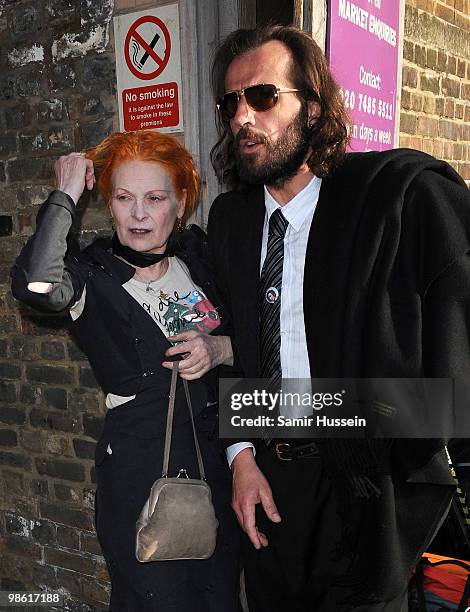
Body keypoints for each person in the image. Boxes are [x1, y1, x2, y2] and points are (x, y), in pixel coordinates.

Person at [207, 24, 470, 612]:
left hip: (365, 492)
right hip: (269, 493)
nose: (243, 117)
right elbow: (231, 353)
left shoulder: (391, 204)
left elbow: (447, 396)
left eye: (264, 98)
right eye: (231, 103)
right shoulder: (230, 222)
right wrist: (241, 454)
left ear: (315, 107)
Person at [11, 131, 240, 611]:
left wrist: (218, 349)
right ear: (109, 204)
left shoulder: (197, 260)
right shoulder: (91, 277)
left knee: (219, 597)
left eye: (155, 198)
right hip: (141, 483)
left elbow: (254, 344)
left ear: (179, 205)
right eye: (124, 198)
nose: (139, 214)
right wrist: (66, 194)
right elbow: (36, 285)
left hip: (216, 471)